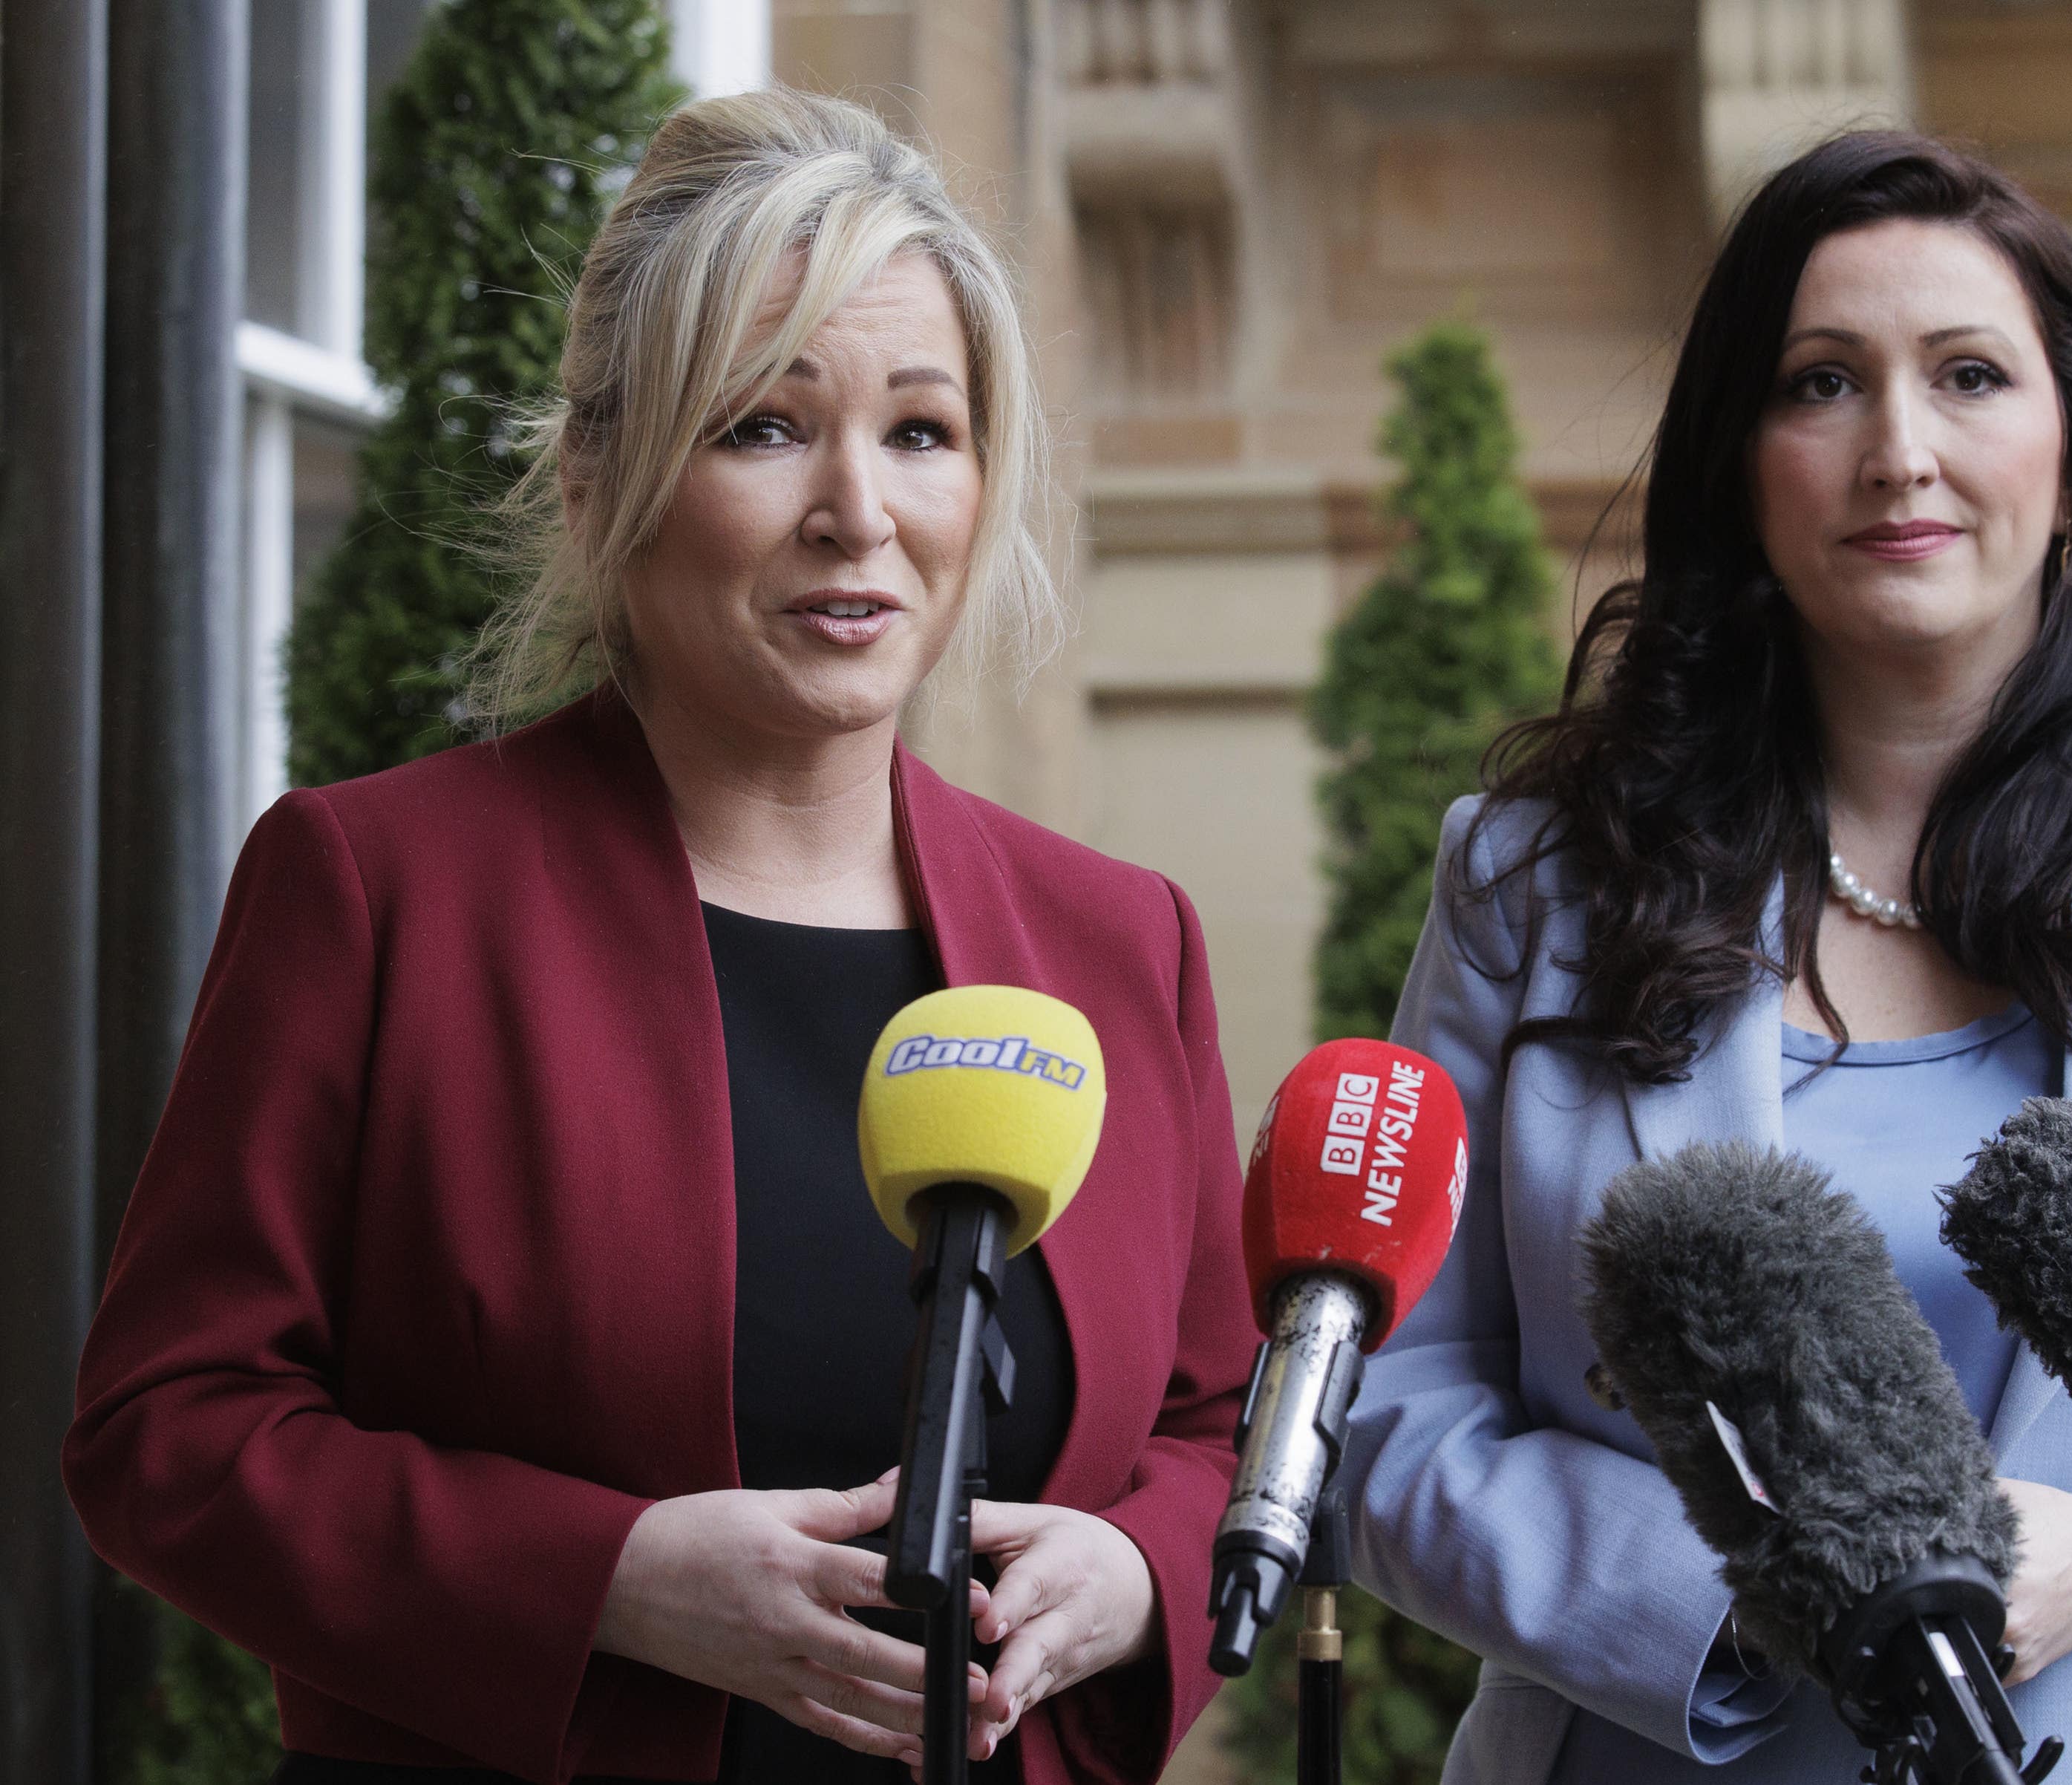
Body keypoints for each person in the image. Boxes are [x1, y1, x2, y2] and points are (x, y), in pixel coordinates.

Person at [63, 90, 1254, 1785]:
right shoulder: (376, 889)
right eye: (766, 426)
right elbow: (164, 1434)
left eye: (923, 430)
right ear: (603, 471)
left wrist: (1141, 1573)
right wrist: (609, 1581)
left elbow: (1214, 1428)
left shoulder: (1122, 940)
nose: (861, 510)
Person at [1341, 132, 2072, 1785]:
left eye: (1970, 375)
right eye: (1821, 383)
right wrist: (1790, 1582)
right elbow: (1394, 1408)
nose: (1899, 449)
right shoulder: (1535, 881)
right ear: (1742, 465)